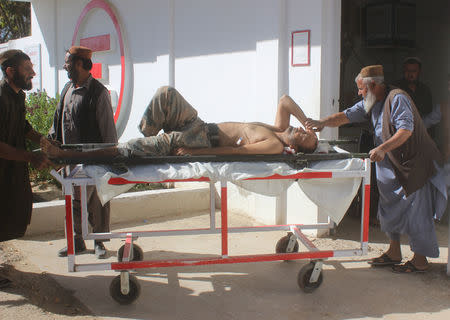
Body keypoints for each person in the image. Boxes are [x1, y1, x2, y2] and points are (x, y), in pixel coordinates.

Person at [306, 65, 447, 273]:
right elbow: (345, 116)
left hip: (414, 165)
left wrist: (382, 148)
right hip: (392, 165)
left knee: (417, 213)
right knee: (389, 209)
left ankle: (420, 260)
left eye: (361, 89)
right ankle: (394, 252)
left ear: (373, 85)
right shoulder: (370, 101)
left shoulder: (397, 98)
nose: (359, 93)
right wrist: (322, 122)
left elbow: (406, 130)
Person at [42, 86, 318, 160]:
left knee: (134, 147)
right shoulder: (280, 129)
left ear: (297, 149)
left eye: (305, 138)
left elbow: (236, 152)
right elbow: (284, 100)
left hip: (200, 140)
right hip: (199, 125)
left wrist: (198, 153)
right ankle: (151, 137)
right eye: (306, 132)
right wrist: (307, 121)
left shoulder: (272, 145)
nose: (302, 132)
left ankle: (67, 153)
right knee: (166, 95)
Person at [48, 46, 118, 259]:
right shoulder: (67, 89)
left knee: (97, 201)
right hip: (69, 160)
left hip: (93, 161)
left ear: (79, 63)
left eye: (67, 62)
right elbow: (57, 122)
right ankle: (76, 241)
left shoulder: (98, 92)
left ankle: (99, 243)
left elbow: (108, 133)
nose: (64, 66)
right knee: (73, 201)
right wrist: (52, 145)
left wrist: (108, 159)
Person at [0, 49, 52, 288]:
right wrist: (30, 157)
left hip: (11, 169)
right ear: (10, 72)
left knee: (10, 210)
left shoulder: (18, 96)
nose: (33, 72)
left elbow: (22, 126)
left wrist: (41, 139)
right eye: (26, 69)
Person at [392, 57, 440, 139]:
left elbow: (428, 112)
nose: (410, 74)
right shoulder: (395, 88)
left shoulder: (425, 89)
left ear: (419, 72)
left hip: (420, 131)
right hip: (400, 131)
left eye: (414, 71)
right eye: (407, 71)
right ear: (403, 71)